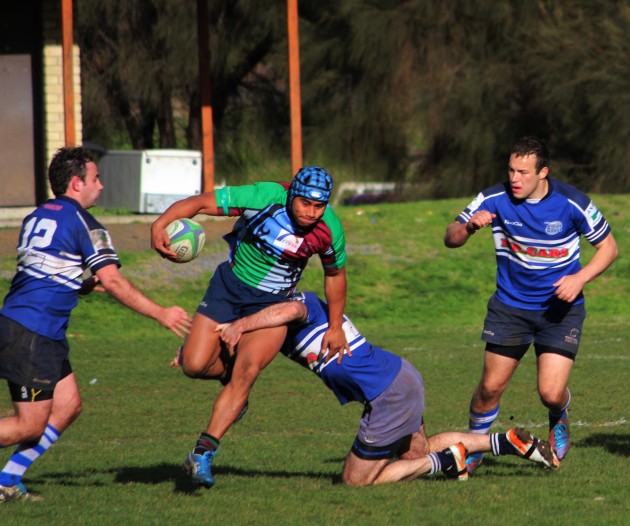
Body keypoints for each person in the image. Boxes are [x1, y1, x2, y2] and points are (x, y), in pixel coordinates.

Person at [0, 147, 192, 502]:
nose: (101, 186)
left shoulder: (39, 214)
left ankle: (6, 480)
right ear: (77, 183)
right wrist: (162, 313)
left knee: (69, 405)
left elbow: (45, 271)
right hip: (34, 333)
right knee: (28, 424)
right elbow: (116, 282)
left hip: (30, 326)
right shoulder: (85, 224)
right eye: (96, 178)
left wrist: (83, 284)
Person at [213, 292, 559, 486]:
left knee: (355, 482)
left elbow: (290, 308)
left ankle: (444, 463)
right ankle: (506, 441)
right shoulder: (272, 326)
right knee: (413, 453)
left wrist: (241, 322)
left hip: (387, 392)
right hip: (399, 376)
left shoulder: (295, 303)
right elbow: (242, 357)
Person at [150, 167, 349, 487]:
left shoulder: (328, 229)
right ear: (291, 194)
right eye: (305, 204)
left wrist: (335, 327)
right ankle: (232, 387)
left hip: (271, 306)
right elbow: (201, 203)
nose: (311, 213)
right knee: (193, 364)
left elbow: (335, 276)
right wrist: (159, 224)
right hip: (227, 290)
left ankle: (201, 454)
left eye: (319, 206)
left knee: (248, 370)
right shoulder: (265, 197)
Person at [443, 136, 618, 474]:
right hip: (510, 308)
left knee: (550, 393)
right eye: (511, 170)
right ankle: (475, 449)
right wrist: (467, 226)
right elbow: (450, 237)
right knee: (490, 387)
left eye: (523, 172)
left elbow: (609, 249)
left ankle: (559, 415)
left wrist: (579, 279)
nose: (515, 179)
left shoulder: (573, 203)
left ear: (543, 173)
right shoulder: (494, 198)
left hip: (559, 311)